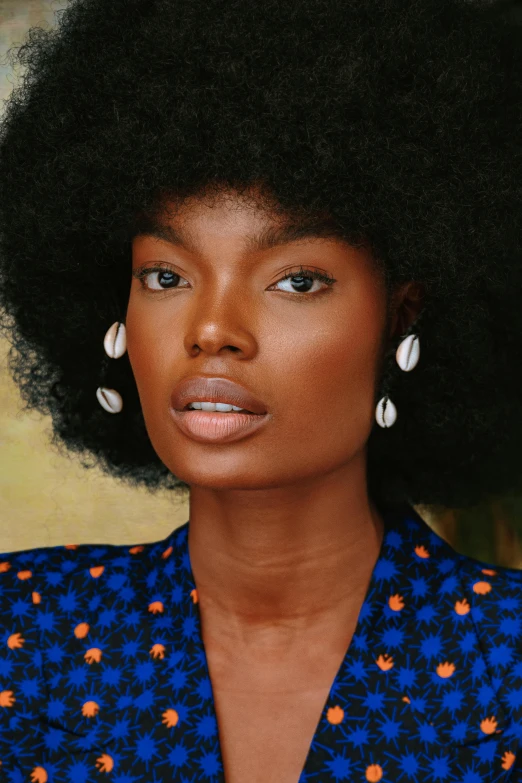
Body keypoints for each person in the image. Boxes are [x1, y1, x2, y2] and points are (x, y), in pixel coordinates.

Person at [1, 0, 522, 780]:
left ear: (400, 317)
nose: (212, 329)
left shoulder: (508, 663)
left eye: (298, 279)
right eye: (166, 275)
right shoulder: (22, 637)